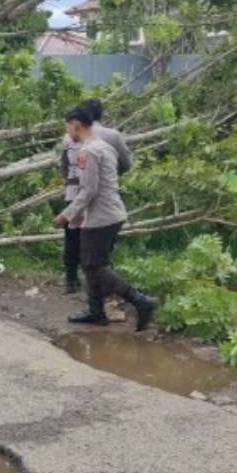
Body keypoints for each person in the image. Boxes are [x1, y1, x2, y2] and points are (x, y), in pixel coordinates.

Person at [52, 106, 156, 330]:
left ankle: (140, 301)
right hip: (111, 213)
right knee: (93, 264)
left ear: (76, 125)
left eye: (67, 126)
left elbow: (88, 191)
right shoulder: (104, 146)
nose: (67, 132)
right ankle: (96, 311)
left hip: (101, 216)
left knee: (94, 266)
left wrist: (66, 215)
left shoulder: (88, 152)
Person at [60, 98, 132, 293]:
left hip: (73, 193)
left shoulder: (69, 137)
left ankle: (71, 279)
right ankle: (101, 286)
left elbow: (64, 166)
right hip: (100, 196)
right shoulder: (112, 136)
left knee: (72, 237)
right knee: (99, 243)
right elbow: (126, 163)